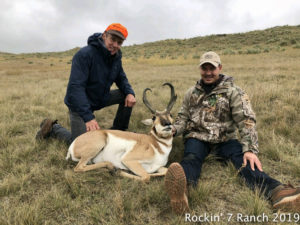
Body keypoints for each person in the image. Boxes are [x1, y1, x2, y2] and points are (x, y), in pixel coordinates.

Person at [165, 51, 300, 214]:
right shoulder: (191, 93)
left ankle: (277, 192)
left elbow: (246, 120)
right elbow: (182, 118)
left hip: (225, 139)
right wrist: (173, 130)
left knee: (243, 161)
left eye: (212, 68)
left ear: (220, 68)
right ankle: (182, 193)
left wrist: (250, 149)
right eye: (204, 68)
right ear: (199, 69)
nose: (208, 72)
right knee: (191, 159)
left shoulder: (233, 92)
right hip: (197, 137)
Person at [36, 23, 136, 145]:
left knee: (126, 95)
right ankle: (54, 129)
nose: (115, 45)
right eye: (113, 40)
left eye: (119, 43)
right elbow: (75, 88)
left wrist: (130, 93)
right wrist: (88, 117)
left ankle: (118, 131)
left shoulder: (115, 57)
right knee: (80, 145)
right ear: (104, 36)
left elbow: (121, 77)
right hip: (78, 105)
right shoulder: (85, 54)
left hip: (100, 98)